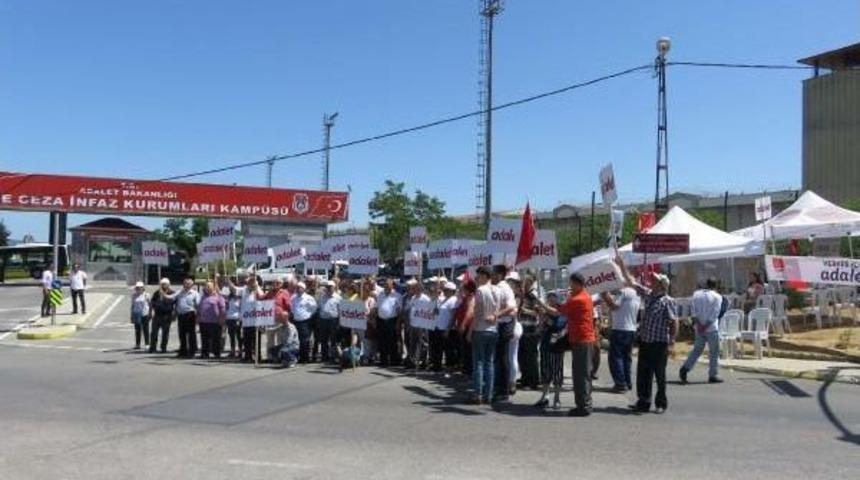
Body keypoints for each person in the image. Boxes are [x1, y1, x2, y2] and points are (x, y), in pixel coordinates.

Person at [616, 254, 678, 414]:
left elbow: (674, 322)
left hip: (659, 343)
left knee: (659, 375)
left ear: (662, 285)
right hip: (645, 341)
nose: (653, 281)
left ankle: (661, 403)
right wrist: (622, 265)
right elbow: (631, 282)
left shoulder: (667, 301)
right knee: (643, 373)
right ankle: (643, 401)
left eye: (656, 280)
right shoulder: (649, 295)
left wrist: (672, 342)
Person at [544, 273, 595, 417]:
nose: (570, 286)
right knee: (582, 374)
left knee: (581, 375)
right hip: (582, 339)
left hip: (582, 340)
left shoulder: (578, 299)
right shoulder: (584, 295)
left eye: (571, 284)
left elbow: (560, 311)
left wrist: (550, 304)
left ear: (578, 284)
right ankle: (584, 404)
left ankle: (583, 406)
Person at [680, 278, 724, 384]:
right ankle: (713, 375)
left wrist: (698, 324)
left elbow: (693, 311)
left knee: (697, 350)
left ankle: (685, 368)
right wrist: (706, 325)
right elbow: (715, 313)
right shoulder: (717, 297)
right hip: (711, 328)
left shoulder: (696, 294)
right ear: (716, 286)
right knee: (714, 352)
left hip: (699, 327)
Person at [468, 266, 500, 405]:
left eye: (479, 275)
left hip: (481, 329)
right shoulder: (497, 290)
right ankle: (489, 394)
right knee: (489, 362)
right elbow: (499, 309)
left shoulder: (480, 290)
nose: (477, 278)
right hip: (493, 329)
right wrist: (495, 316)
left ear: (486, 276)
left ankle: (478, 394)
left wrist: (470, 331)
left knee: (479, 363)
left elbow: (478, 314)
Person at [601, 285, 641, 393]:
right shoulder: (636, 293)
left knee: (616, 357)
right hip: (631, 329)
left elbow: (614, 306)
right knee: (626, 358)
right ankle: (627, 382)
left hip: (620, 329)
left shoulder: (622, 292)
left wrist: (605, 296)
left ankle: (620, 383)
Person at [491, 264, 518, 401]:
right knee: (500, 358)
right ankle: (500, 388)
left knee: (503, 358)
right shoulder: (500, 286)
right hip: (502, 324)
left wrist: (497, 314)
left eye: (494, 273)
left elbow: (512, 307)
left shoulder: (503, 287)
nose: (492, 276)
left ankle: (503, 390)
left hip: (505, 325)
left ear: (500, 275)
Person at [535, 292, 565, 410]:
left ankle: (557, 398)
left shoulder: (562, 312)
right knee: (545, 372)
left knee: (557, 373)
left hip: (557, 347)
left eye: (553, 299)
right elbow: (539, 329)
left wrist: (542, 308)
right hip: (546, 346)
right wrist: (541, 320)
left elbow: (557, 325)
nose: (550, 301)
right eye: (549, 299)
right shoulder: (546, 313)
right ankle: (545, 396)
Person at [517, 274, 542, 390]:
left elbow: (537, 312)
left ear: (530, 283)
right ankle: (525, 378)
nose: (523, 285)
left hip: (531, 328)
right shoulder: (524, 295)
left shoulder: (533, 295)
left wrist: (524, 310)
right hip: (523, 326)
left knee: (530, 356)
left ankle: (533, 381)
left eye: (525, 283)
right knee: (522, 355)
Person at [430, 281, 458, 371]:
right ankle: (437, 366)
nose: (445, 291)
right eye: (444, 289)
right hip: (438, 328)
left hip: (447, 329)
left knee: (448, 349)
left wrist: (448, 329)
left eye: (447, 290)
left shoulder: (454, 300)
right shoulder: (443, 299)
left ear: (452, 291)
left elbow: (453, 316)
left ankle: (450, 366)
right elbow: (437, 312)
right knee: (437, 348)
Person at [263, 277, 292, 362]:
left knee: (280, 339)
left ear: (281, 284)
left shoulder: (284, 293)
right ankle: (270, 357)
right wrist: (256, 291)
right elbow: (261, 298)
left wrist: (286, 315)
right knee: (270, 340)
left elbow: (288, 305)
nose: (275, 284)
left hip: (280, 319)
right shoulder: (269, 293)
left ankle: (279, 356)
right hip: (270, 318)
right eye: (274, 283)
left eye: (277, 283)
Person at [376, 278, 402, 367]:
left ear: (392, 285)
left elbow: (399, 311)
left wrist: (398, 323)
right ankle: (383, 360)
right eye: (385, 284)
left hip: (392, 321)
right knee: (382, 341)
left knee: (392, 342)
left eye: (387, 284)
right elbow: (377, 308)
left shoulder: (397, 295)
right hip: (381, 321)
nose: (385, 285)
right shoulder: (380, 294)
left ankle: (394, 360)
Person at [452, 280, 476, 374]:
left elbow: (469, 313)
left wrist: (463, 324)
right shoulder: (465, 298)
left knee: (468, 349)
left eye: (463, 288)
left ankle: (469, 370)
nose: (461, 290)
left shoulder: (471, 298)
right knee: (464, 349)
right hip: (463, 326)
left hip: (468, 327)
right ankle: (466, 368)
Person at [197, 281, 226, 359]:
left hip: (215, 321)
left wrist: (222, 318)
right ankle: (205, 353)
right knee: (204, 338)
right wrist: (198, 316)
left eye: (209, 286)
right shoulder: (203, 296)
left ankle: (216, 353)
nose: (207, 287)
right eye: (206, 286)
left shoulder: (218, 297)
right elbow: (200, 307)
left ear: (213, 287)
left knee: (216, 338)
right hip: (204, 321)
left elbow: (223, 309)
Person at [405, 280, 430, 370]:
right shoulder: (413, 298)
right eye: (413, 288)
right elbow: (410, 309)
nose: (414, 290)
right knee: (413, 343)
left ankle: (423, 361)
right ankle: (413, 361)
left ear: (421, 289)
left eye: (416, 288)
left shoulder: (426, 299)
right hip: (413, 324)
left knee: (423, 344)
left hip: (422, 325)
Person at [173, 277, 201, 358]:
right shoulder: (179, 292)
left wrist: (198, 316)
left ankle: (192, 352)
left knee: (191, 334)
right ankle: (183, 351)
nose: (187, 285)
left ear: (192, 285)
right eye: (185, 283)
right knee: (182, 334)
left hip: (190, 315)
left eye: (189, 283)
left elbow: (198, 305)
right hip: (181, 315)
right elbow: (171, 297)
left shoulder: (195, 293)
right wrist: (163, 293)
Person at [291, 281, 318, 363]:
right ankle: (299, 356)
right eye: (297, 288)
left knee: (305, 340)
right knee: (297, 340)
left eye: (300, 288)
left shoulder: (309, 298)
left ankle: (305, 358)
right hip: (296, 321)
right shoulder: (294, 297)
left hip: (305, 322)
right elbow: (292, 308)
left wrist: (307, 315)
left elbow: (314, 309)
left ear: (304, 289)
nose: (299, 289)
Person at [317, 280, 342, 363]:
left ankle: (333, 356)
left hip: (333, 320)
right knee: (324, 339)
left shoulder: (338, 298)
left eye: (330, 287)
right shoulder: (322, 297)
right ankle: (325, 356)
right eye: (327, 287)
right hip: (323, 320)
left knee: (333, 340)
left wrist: (339, 322)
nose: (328, 288)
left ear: (334, 288)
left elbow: (340, 311)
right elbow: (319, 307)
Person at [149, 278, 176, 354]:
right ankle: (153, 347)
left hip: (167, 316)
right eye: (162, 284)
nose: (164, 285)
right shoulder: (157, 293)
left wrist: (174, 314)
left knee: (165, 333)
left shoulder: (172, 293)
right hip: (157, 315)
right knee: (154, 333)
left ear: (168, 285)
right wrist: (150, 312)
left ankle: (163, 347)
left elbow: (175, 304)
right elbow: (152, 303)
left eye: (165, 284)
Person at [220, 274, 243, 359]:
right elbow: (220, 293)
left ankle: (240, 351)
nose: (231, 290)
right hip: (229, 318)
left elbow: (241, 309)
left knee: (239, 336)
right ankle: (233, 351)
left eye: (232, 289)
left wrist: (229, 281)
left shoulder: (239, 298)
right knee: (231, 336)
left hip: (237, 318)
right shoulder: (228, 298)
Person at [130, 281, 150, 350]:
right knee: (137, 330)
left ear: (143, 288)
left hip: (145, 314)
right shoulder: (133, 295)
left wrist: (150, 313)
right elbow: (132, 305)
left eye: (140, 288)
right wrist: (132, 314)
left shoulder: (146, 295)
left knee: (145, 329)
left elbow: (150, 304)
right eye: (137, 288)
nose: (138, 289)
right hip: (136, 314)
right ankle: (137, 344)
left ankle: (147, 344)